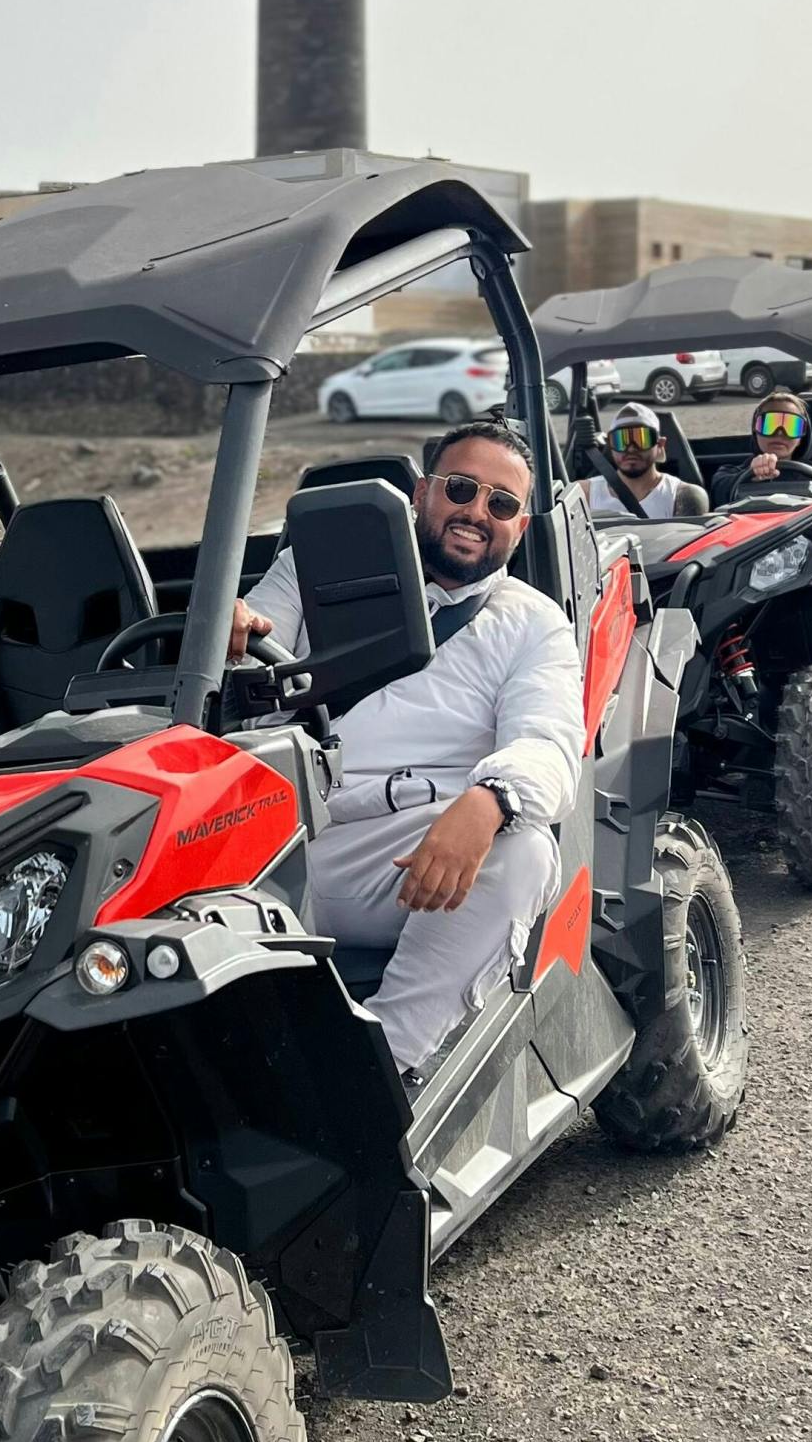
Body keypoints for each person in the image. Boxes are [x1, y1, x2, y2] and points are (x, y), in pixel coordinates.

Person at [230, 419, 583, 1081]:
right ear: (421, 493)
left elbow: (549, 744)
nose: (477, 512)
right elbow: (251, 635)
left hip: (402, 854)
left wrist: (490, 800)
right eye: (461, 489)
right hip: (278, 828)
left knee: (524, 848)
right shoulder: (318, 565)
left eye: (501, 504)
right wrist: (233, 626)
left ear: (521, 527)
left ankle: (382, 1069)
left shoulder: (534, 623)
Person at [582, 405, 710, 522]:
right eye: (621, 440)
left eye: (641, 439)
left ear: (660, 444)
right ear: (610, 445)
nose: (631, 449)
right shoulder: (584, 494)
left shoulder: (683, 496)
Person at [712, 390, 812, 504]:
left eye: (791, 426)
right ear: (756, 430)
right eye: (770, 424)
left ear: (801, 438)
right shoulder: (728, 474)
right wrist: (749, 476)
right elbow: (718, 492)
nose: (780, 433)